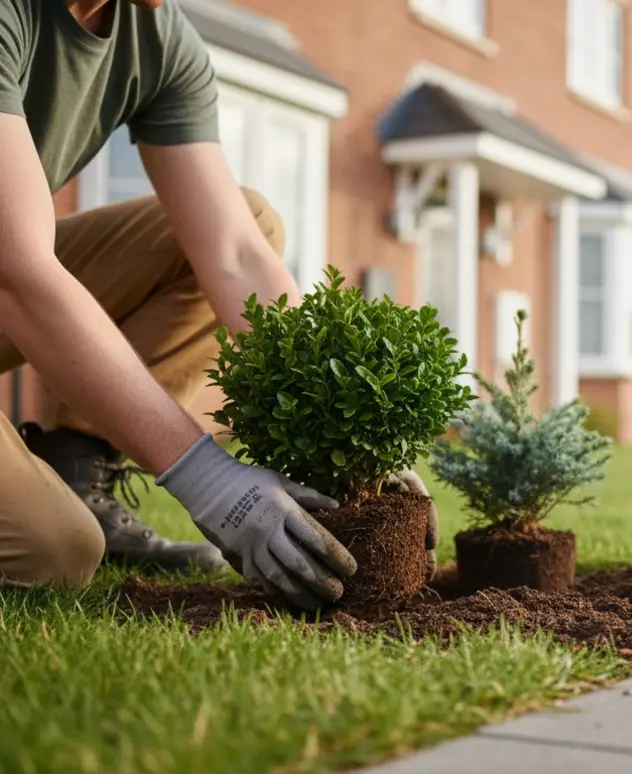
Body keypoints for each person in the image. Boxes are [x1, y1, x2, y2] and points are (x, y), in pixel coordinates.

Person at [0, 0, 415, 610]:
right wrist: (209, 479)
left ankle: (75, 469)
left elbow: (235, 253)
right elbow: (17, 269)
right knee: (52, 552)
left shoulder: (157, 38)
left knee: (251, 221)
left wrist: (346, 437)